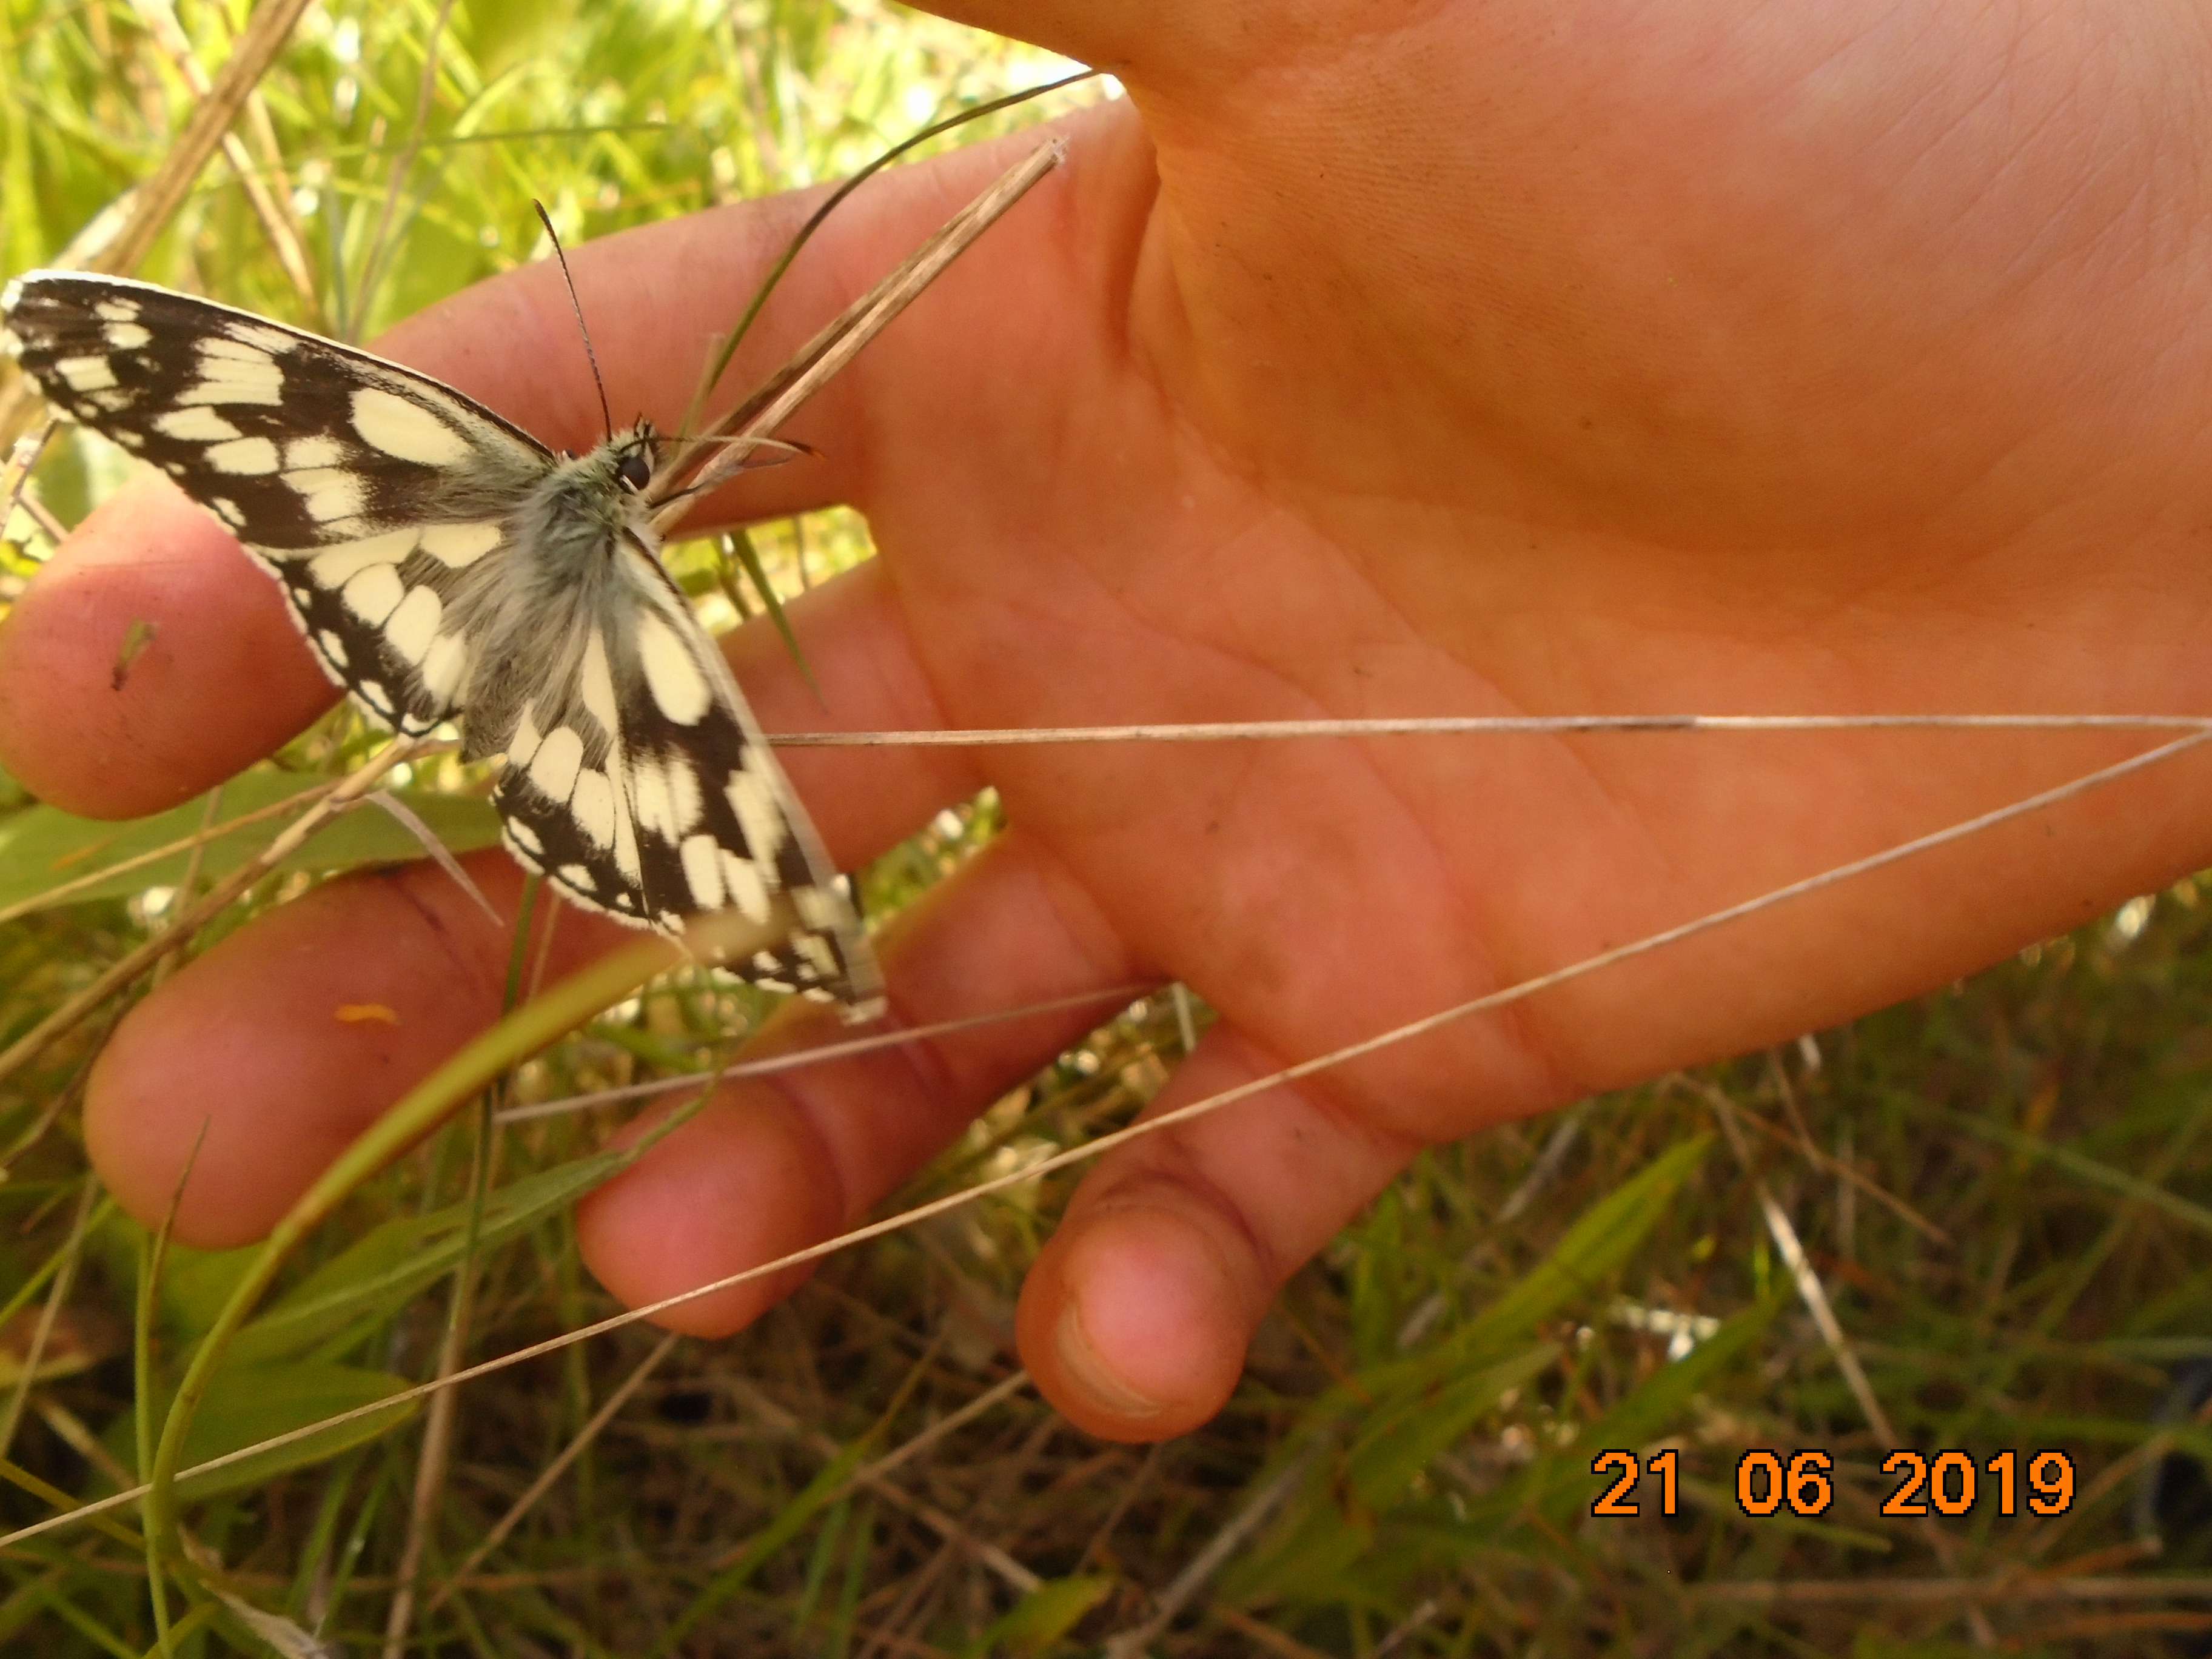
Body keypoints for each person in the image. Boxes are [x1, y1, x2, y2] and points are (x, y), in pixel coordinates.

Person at [5, 0, 2210, 1443]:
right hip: (597, 679)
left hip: (451, 598)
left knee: (634, 825)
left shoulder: (477, 486)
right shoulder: (631, 594)